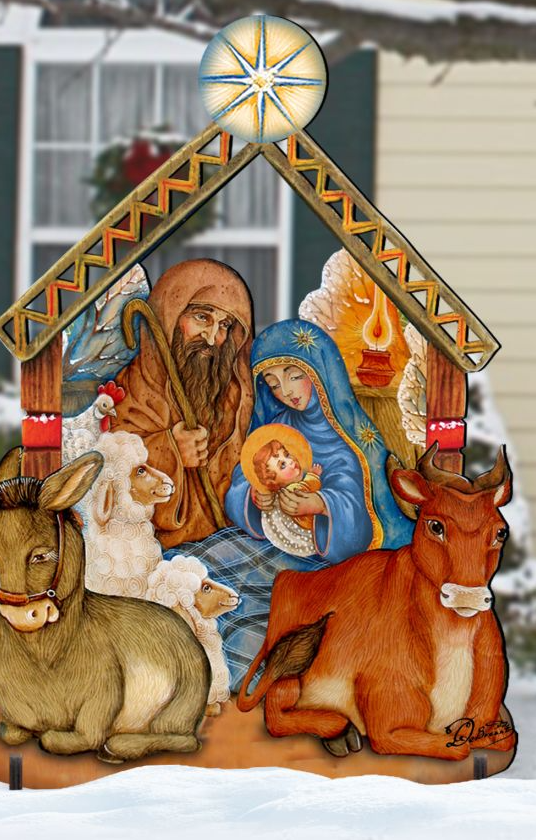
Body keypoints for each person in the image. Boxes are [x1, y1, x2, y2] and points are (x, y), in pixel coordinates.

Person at [178, 318, 415, 684]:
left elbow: (361, 511)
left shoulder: (352, 438)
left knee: (251, 622)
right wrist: (254, 497)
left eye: (292, 375)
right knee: (192, 567)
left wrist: (321, 506)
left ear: (320, 372)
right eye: (272, 383)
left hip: (323, 566)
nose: (284, 390)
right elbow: (242, 482)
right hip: (269, 541)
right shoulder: (277, 428)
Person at [112, 259, 254, 547]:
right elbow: (110, 479)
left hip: (224, 543)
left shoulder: (233, 396)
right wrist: (170, 451)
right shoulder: (131, 390)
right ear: (170, 314)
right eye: (202, 317)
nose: (214, 339)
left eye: (224, 325)